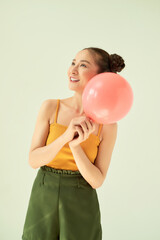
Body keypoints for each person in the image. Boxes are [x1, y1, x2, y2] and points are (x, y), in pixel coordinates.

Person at [21, 47, 125, 240]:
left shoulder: (108, 126)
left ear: (100, 77)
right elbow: (33, 160)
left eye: (83, 65)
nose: (73, 70)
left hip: (81, 198)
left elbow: (97, 180)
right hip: (44, 192)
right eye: (73, 62)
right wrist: (66, 137)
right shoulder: (51, 107)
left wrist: (76, 147)